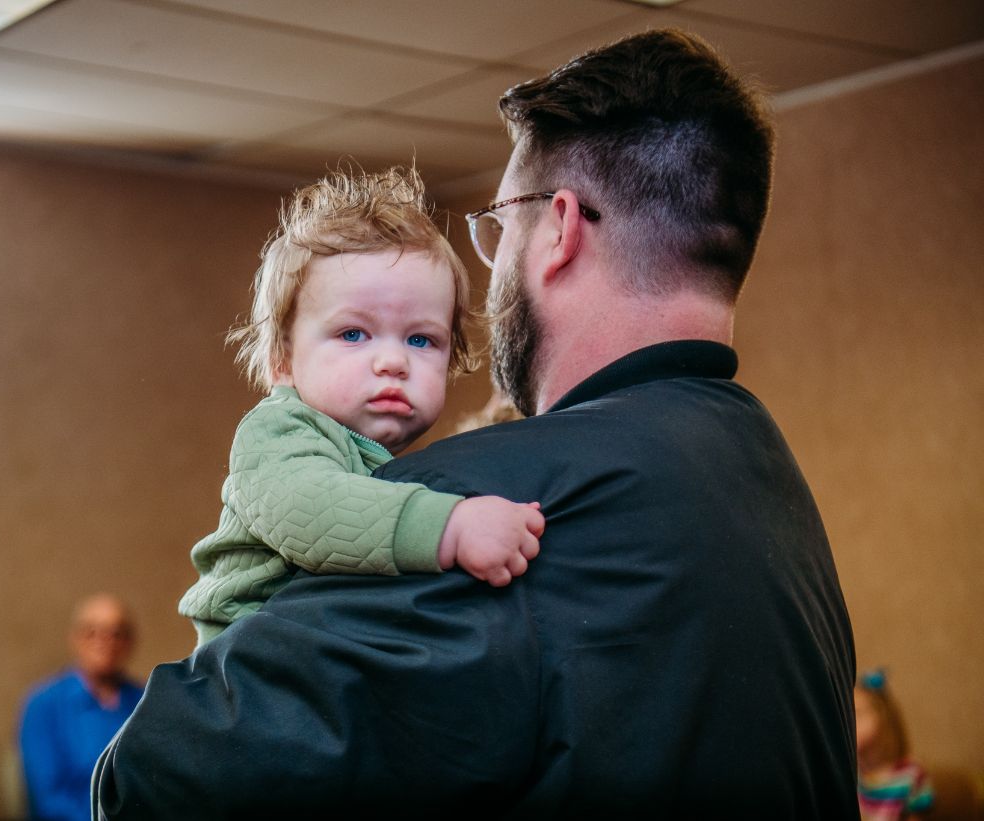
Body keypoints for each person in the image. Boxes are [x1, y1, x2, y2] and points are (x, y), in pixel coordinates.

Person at [94, 28, 857, 819]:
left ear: (559, 229)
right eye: (354, 332)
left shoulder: (490, 503)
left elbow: (151, 778)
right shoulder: (773, 488)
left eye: (498, 226)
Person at [177, 165, 544, 645]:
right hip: (246, 663)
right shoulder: (278, 431)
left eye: (421, 339)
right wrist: (450, 527)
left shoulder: (380, 457)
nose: (393, 361)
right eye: (353, 334)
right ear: (282, 359)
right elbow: (312, 513)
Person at [19, 593, 144, 821]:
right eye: (92, 632)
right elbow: (49, 798)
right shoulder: (43, 705)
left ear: (129, 642)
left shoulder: (145, 701)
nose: (105, 641)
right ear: (75, 638)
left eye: (116, 633)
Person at [856, 668, 934, 820]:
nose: (849, 721)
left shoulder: (911, 774)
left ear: (883, 717)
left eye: (857, 713)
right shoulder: (851, 771)